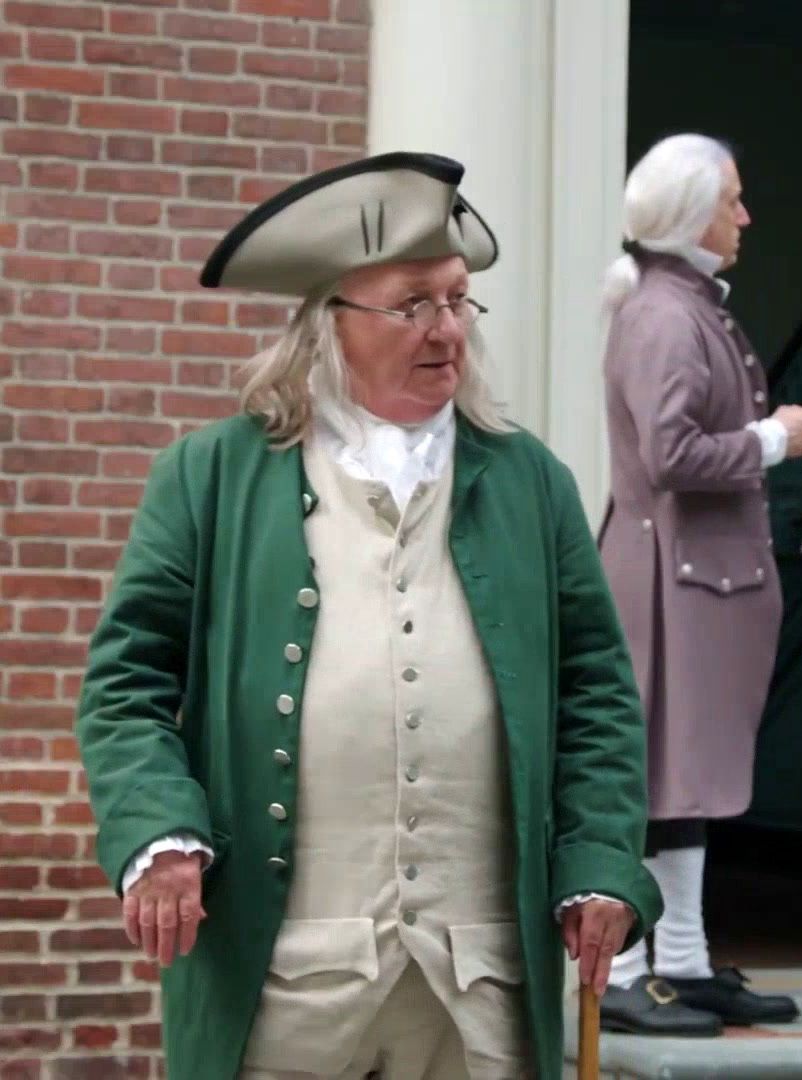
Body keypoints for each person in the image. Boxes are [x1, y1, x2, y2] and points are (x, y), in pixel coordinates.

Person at [74, 151, 661, 1080]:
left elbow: (597, 694)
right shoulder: (211, 475)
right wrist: (157, 829)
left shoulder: (530, 482)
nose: (448, 330)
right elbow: (126, 682)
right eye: (413, 305)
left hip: (479, 977)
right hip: (283, 981)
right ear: (328, 323)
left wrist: (599, 857)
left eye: (459, 300)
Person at [593, 133, 802, 1036]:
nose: (746, 216)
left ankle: (679, 961)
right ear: (692, 214)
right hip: (669, 581)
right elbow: (671, 454)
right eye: (732, 200)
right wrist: (771, 440)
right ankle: (628, 970)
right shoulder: (665, 315)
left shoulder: (677, 305)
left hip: (690, 579)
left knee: (683, 777)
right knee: (656, 776)